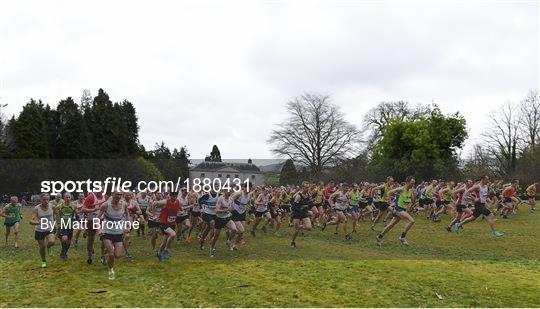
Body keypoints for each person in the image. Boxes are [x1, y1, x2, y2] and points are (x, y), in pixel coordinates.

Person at [376, 176, 416, 246]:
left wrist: (412, 199)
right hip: (398, 209)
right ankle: (402, 237)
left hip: (403, 210)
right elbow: (389, 192)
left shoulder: (410, 190)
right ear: (407, 182)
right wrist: (390, 202)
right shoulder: (401, 189)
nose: (413, 185)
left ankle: (379, 237)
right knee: (411, 221)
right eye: (412, 183)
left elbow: (412, 200)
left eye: (414, 183)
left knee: (390, 225)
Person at [99, 191, 129, 280]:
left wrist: (127, 226)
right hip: (107, 232)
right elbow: (97, 218)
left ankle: (104, 255)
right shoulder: (105, 205)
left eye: (120, 194)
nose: (119, 196)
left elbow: (127, 214)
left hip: (118, 232)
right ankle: (111, 270)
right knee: (111, 254)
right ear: (112, 194)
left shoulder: (124, 204)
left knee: (118, 255)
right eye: (117, 194)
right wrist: (99, 229)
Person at [29, 194, 57, 268]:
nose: (46, 201)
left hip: (49, 229)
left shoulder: (52, 206)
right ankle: (43, 261)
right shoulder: (36, 208)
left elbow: (55, 212)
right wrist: (38, 222)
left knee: (52, 242)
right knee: (42, 247)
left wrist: (54, 219)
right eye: (44, 199)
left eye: (47, 199)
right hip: (39, 230)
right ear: (41, 200)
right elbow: (31, 221)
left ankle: (49, 247)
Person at [82, 191, 108, 264]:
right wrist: (93, 210)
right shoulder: (90, 197)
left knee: (104, 238)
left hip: (101, 220)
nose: (100, 191)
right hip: (91, 220)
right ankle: (90, 255)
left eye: (102, 189)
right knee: (91, 239)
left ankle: (103, 256)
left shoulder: (105, 197)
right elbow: (83, 209)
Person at [210, 189, 238, 257]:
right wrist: (226, 210)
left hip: (227, 218)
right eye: (228, 191)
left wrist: (232, 209)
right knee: (216, 236)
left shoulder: (231, 199)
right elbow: (216, 210)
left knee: (234, 230)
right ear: (224, 191)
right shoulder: (220, 199)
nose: (230, 192)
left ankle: (228, 241)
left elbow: (231, 208)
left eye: (230, 191)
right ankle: (211, 249)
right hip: (219, 219)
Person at [154, 191, 180, 261]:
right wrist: (154, 214)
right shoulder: (165, 202)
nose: (174, 198)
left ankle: (159, 254)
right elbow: (154, 203)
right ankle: (166, 250)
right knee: (173, 234)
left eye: (175, 196)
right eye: (173, 196)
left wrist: (188, 207)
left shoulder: (178, 202)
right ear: (170, 196)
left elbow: (180, 208)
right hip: (164, 223)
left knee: (165, 241)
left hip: (172, 224)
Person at [290, 182, 312, 248]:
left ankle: (299, 226)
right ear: (302, 188)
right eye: (306, 187)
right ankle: (292, 242)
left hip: (304, 213)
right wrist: (301, 208)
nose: (307, 189)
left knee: (309, 227)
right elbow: (293, 207)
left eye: (308, 187)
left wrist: (308, 210)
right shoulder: (299, 196)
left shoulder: (308, 195)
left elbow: (309, 204)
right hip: (297, 213)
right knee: (296, 231)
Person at [56, 193, 76, 260]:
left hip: (70, 226)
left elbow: (76, 214)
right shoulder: (60, 206)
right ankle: (63, 252)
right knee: (64, 239)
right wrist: (58, 222)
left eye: (69, 197)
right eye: (66, 197)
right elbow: (55, 213)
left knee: (69, 242)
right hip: (63, 225)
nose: (68, 199)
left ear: (71, 198)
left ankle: (64, 252)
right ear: (63, 198)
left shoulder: (73, 206)